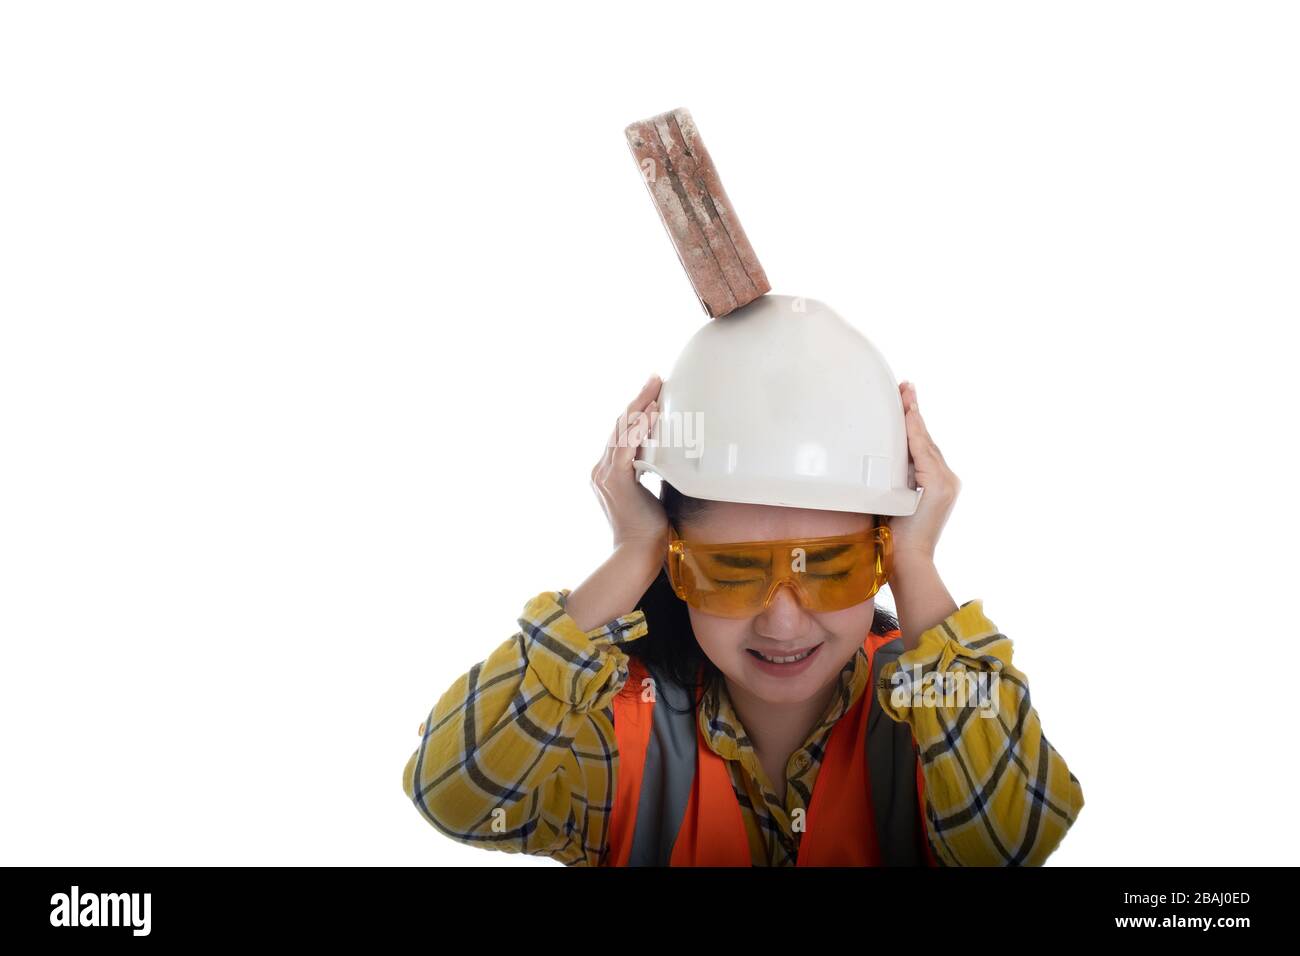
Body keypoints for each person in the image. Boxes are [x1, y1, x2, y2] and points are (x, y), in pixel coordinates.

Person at [402, 299, 1085, 866]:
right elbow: (453, 792)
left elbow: (1015, 841)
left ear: (880, 556)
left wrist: (917, 564)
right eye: (732, 572)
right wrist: (634, 549)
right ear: (676, 562)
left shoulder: (934, 725)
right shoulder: (616, 733)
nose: (783, 623)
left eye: (829, 565)